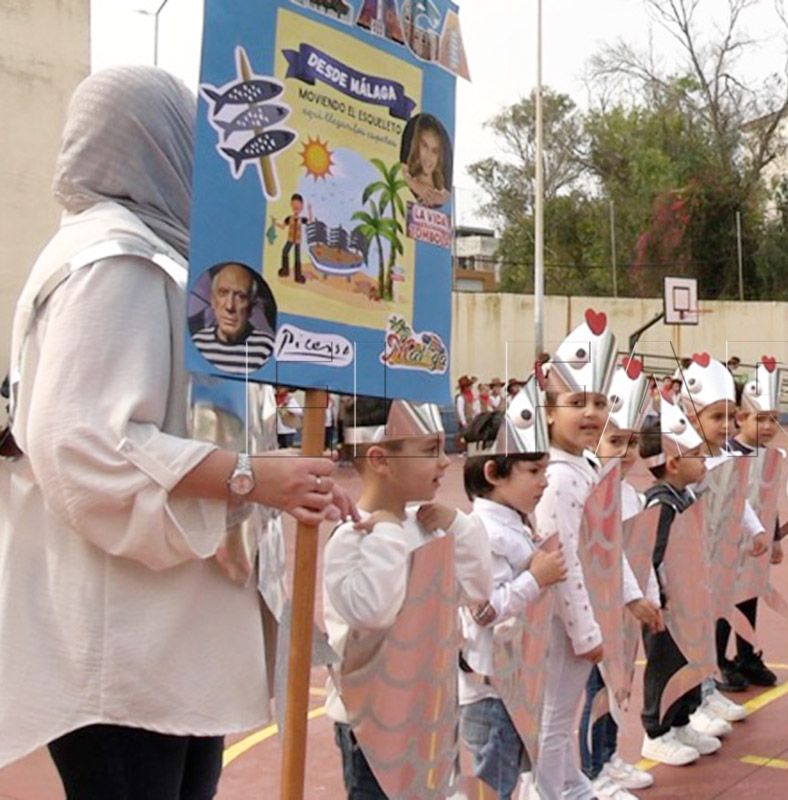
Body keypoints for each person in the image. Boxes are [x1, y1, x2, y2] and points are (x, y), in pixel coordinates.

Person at [0, 66, 354, 797]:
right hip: (127, 647)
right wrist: (254, 477)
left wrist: (279, 479)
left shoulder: (153, 254)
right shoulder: (113, 262)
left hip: (168, 641)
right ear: (149, 145)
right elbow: (79, 441)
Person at [323, 397, 491, 799]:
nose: (445, 461)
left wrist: (461, 528)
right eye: (430, 449)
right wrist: (384, 533)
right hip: (372, 724)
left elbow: (478, 591)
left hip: (428, 709)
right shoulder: (352, 538)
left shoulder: (426, 525)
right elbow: (375, 612)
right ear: (381, 459)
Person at [458, 381, 568, 800]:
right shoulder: (482, 531)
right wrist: (535, 577)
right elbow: (483, 611)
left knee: (514, 776)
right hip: (491, 688)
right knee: (494, 784)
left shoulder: (514, 521)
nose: (544, 482)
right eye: (534, 471)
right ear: (493, 473)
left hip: (517, 676)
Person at [534, 313, 617, 800]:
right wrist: (586, 631)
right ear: (547, 411)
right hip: (563, 619)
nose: (590, 412)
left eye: (600, 402)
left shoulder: (581, 464)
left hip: (580, 611)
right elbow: (560, 554)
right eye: (576, 402)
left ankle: (570, 786)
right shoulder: (559, 476)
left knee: (561, 713)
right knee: (554, 716)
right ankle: (548, 791)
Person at [578, 359, 658, 800]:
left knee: (618, 686)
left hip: (623, 611)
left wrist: (650, 595)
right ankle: (590, 771)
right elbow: (604, 554)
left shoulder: (631, 494)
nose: (625, 452)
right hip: (594, 610)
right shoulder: (589, 491)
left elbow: (638, 553)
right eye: (615, 441)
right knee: (592, 691)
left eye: (630, 442)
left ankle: (608, 756)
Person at [675, 354, 766, 721]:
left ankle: (708, 689)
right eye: (717, 417)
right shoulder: (685, 461)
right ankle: (690, 704)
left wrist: (756, 529)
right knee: (691, 635)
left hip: (718, 560)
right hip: (692, 565)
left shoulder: (727, 455)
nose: (727, 426)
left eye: (731, 417)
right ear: (690, 416)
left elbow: (737, 499)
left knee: (711, 627)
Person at [637, 402, 717, 766]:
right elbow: (651, 556)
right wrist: (659, 600)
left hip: (690, 601)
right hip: (667, 606)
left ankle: (682, 720)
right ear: (672, 463)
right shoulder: (661, 504)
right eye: (696, 455)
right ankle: (656, 730)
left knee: (689, 662)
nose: (704, 462)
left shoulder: (686, 496)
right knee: (665, 665)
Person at [715, 358, 785, 689]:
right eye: (762, 419)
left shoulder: (770, 456)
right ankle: (719, 660)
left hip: (754, 544)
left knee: (749, 596)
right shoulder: (728, 453)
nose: (769, 427)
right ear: (741, 418)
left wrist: (774, 538)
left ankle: (746, 655)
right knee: (725, 602)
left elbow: (768, 500)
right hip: (728, 544)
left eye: (774, 420)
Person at [190, 262, 275, 374]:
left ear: (251, 307)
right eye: (223, 293)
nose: (230, 306)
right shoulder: (198, 342)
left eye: (240, 296)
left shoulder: (267, 347)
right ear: (213, 301)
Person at [402, 115, 451, 207]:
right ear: (417, 145)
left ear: (439, 157)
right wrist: (414, 184)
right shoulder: (405, 177)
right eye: (424, 146)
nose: (428, 156)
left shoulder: (443, 196)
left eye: (435, 151)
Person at [272, 193, 309, 283]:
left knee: (297, 258)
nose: (296, 208)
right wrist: (275, 224)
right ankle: (285, 270)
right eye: (294, 205)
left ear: (302, 207)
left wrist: (310, 210)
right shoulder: (289, 218)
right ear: (291, 205)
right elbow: (283, 226)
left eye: (298, 206)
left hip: (297, 240)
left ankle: (298, 276)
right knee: (285, 251)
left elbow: (310, 222)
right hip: (290, 239)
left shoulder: (302, 219)